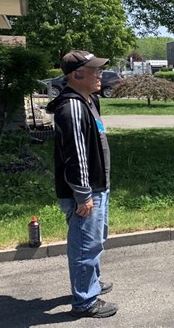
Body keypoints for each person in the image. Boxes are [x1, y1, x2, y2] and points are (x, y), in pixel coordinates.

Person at [46, 50, 118, 318]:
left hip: (97, 187)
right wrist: (83, 194)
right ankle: (85, 301)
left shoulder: (87, 100)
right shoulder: (72, 106)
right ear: (76, 75)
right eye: (95, 71)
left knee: (94, 241)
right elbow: (75, 155)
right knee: (84, 245)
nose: (100, 75)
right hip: (85, 193)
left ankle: (90, 285)